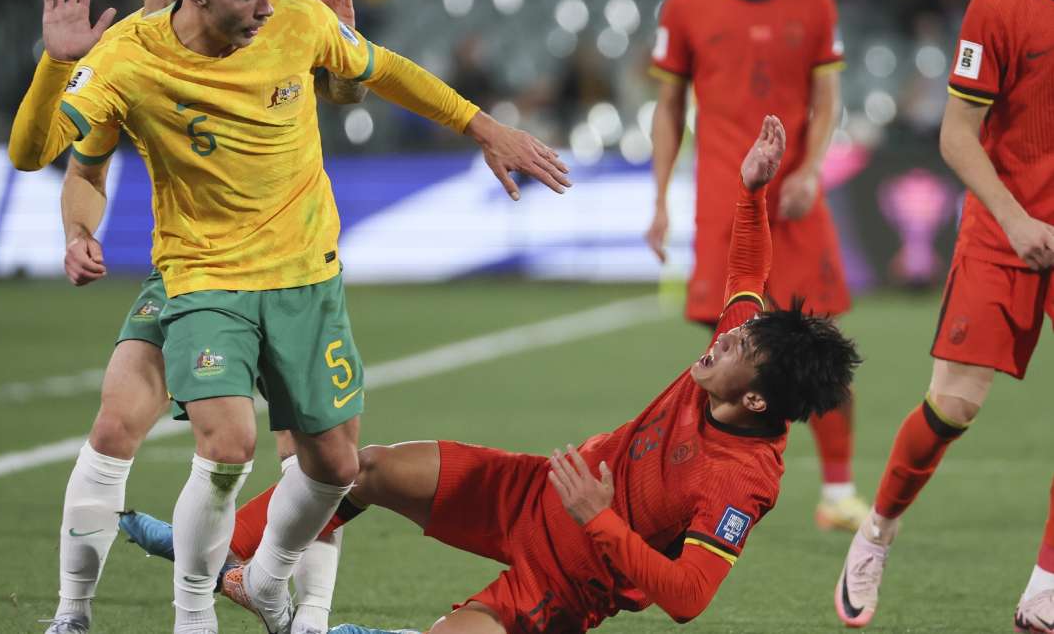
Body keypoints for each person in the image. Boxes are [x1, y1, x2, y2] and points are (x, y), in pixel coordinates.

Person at [7, 0, 571, 632]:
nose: (266, 6)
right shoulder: (124, 57)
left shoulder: (296, 21)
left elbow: (379, 70)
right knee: (219, 442)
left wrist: (482, 125)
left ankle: (271, 585)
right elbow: (39, 156)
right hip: (203, 275)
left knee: (334, 464)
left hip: (306, 276)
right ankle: (169, 616)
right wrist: (56, 64)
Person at [122, 117, 863, 634]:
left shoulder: (743, 481)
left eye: (738, 350)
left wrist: (597, 518)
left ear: (757, 399)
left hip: (566, 584)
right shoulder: (739, 351)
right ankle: (234, 561)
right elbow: (747, 269)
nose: (722, 339)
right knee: (361, 469)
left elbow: (689, 598)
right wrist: (753, 191)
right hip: (532, 490)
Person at [42, 0, 367, 632]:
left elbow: (342, 90)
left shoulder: (258, 27)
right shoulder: (124, 59)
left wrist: (346, 59)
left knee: (310, 450)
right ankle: (73, 614)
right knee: (115, 423)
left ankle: (305, 613)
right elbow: (85, 170)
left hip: (283, 265)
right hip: (190, 271)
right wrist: (77, 233)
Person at [835, 0, 1054, 631]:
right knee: (953, 406)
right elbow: (958, 136)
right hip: (1004, 226)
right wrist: (1016, 220)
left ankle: (1044, 587)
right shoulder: (1000, 3)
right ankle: (876, 531)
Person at [645, 0, 867, 531]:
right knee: (723, 362)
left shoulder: (814, 2)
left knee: (823, 345)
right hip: (726, 207)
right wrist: (660, 197)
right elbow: (668, 107)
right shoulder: (686, 6)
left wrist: (813, 169)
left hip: (795, 203)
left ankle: (839, 492)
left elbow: (826, 99)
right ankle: (695, 489)